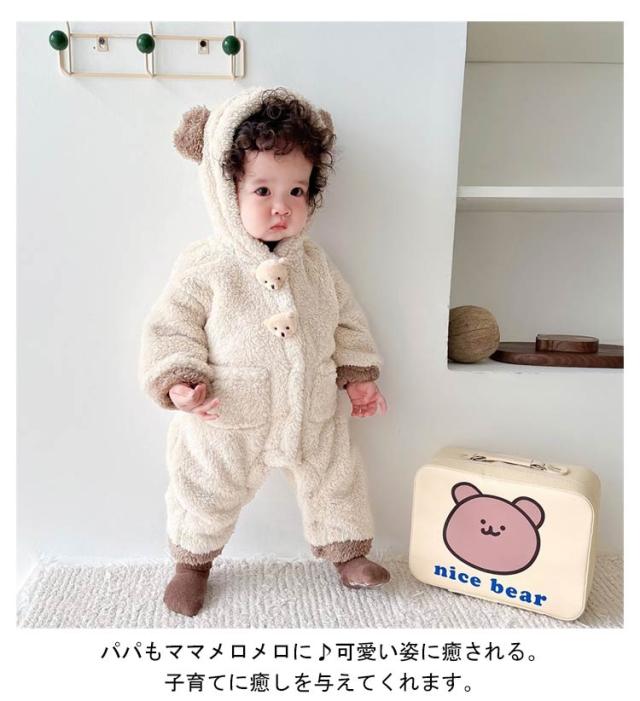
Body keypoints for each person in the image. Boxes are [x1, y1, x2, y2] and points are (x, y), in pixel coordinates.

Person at [140, 87, 389, 617]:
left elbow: (346, 319)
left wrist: (358, 375)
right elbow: (172, 326)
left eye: (297, 190)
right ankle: (191, 564)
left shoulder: (314, 264)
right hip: (228, 414)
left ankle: (348, 553)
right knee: (203, 489)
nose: (282, 207)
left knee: (337, 481)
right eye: (262, 190)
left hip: (312, 408)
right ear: (225, 190)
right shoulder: (207, 264)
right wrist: (179, 380)